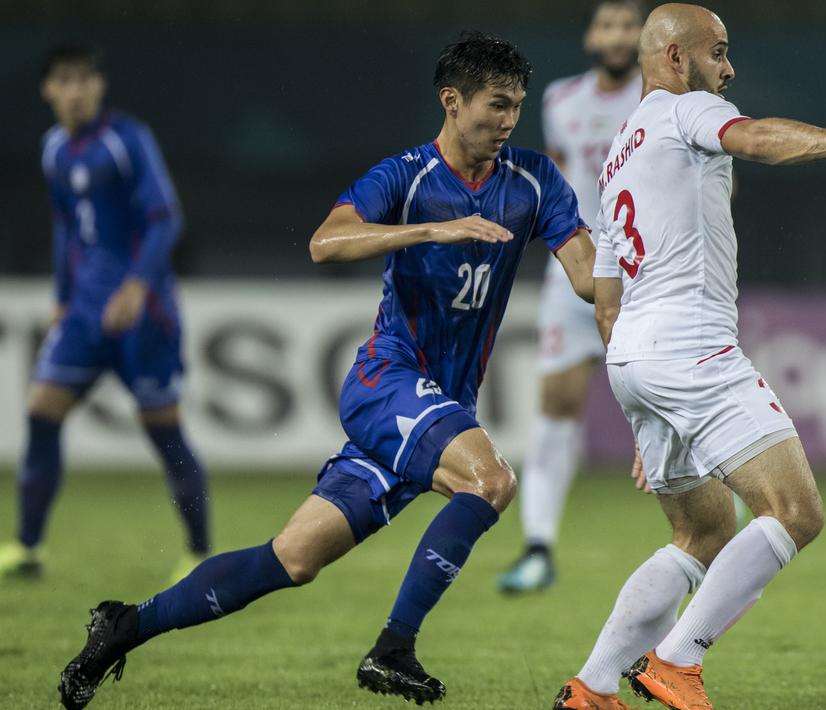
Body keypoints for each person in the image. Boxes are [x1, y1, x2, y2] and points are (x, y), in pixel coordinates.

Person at [56, 32, 596, 710]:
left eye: (517, 105)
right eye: (496, 105)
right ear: (451, 102)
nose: (509, 120)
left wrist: (643, 279)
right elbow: (325, 241)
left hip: (438, 402)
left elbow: (586, 277)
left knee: (290, 560)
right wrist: (430, 230)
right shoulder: (406, 176)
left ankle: (123, 627)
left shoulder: (532, 179)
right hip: (388, 380)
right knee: (490, 481)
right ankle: (393, 647)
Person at [553, 5, 826, 708]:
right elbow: (751, 138)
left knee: (702, 531)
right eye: (717, 53)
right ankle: (675, 664)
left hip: (634, 355)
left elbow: (604, 299)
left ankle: (595, 685)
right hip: (690, 344)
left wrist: (645, 408)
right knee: (794, 511)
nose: (728, 69)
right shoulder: (682, 110)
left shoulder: (619, 152)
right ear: (671, 58)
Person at [0, 44, 210, 583]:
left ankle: (199, 551)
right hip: (84, 313)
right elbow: (67, 228)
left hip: (144, 315)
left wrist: (138, 287)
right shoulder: (53, 150)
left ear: (99, 86)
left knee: (162, 429)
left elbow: (165, 219)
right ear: (48, 89)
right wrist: (62, 295)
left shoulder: (126, 140)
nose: (75, 91)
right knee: (41, 411)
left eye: (84, 80)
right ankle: (28, 547)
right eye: (64, 81)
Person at [499, 0, 645, 594]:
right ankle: (537, 547)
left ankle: (727, 517)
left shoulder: (664, 103)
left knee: (676, 403)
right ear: (592, 34)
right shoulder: (560, 100)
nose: (615, 34)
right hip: (578, 271)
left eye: (627, 25)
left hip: (645, 276)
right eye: (606, 23)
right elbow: (556, 183)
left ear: (643, 36)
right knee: (556, 406)